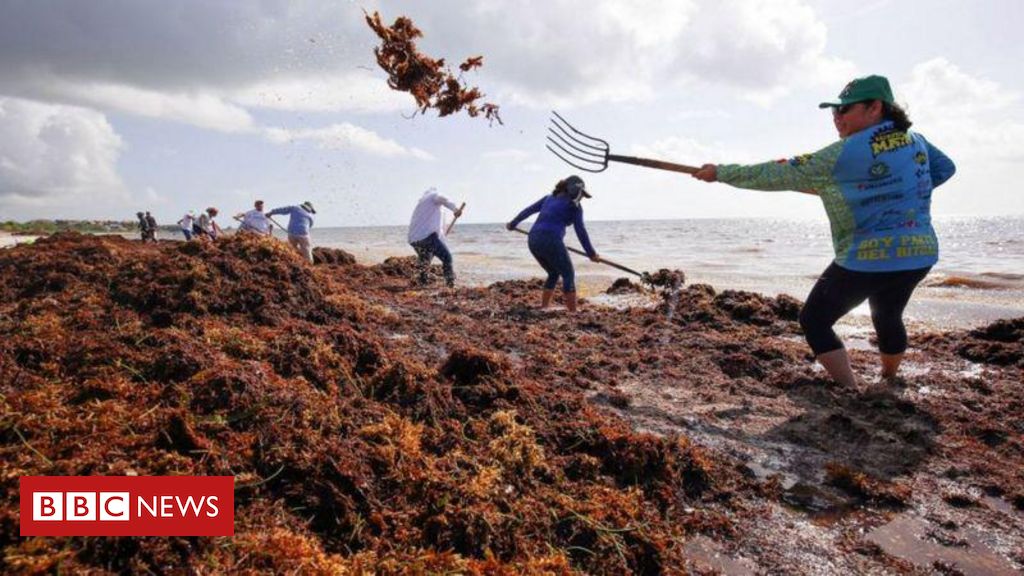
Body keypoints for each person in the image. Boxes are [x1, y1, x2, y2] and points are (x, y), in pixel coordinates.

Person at [690, 75, 956, 387]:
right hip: (919, 254)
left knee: (813, 320)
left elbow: (778, 173)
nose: (836, 117)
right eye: (834, 111)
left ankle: (849, 389)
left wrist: (720, 173)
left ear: (875, 108)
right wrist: (896, 192)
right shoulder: (917, 141)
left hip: (868, 258)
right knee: (887, 314)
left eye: (844, 110)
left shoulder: (843, 152)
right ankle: (889, 379)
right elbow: (945, 168)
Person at [506, 175, 600, 312]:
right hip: (551, 239)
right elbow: (581, 231)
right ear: (573, 190)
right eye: (581, 194)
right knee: (568, 273)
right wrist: (591, 253)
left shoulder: (548, 198)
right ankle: (573, 311)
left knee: (553, 273)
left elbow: (528, 211)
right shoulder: (575, 207)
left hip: (533, 239)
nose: (581, 198)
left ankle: (544, 306)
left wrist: (513, 223)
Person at [407, 187, 463, 287]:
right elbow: (443, 199)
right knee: (447, 258)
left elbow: (439, 228)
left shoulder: (423, 204)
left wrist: (442, 238)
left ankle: (422, 283)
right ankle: (450, 286)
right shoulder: (433, 196)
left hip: (414, 240)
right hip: (427, 237)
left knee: (425, 261)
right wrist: (455, 209)